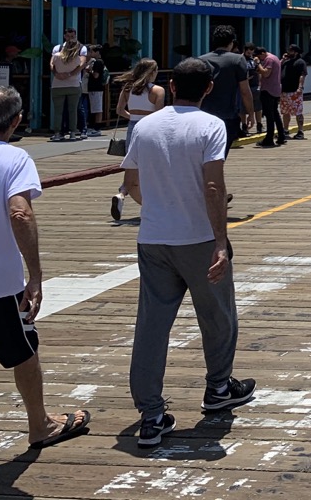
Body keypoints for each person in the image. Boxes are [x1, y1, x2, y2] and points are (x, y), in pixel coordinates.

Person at [121, 58, 256, 448]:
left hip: (153, 238)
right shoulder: (210, 126)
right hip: (197, 238)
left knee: (152, 325)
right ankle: (217, 388)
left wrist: (161, 207)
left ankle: (150, 414)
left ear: (173, 86)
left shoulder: (144, 126)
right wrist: (219, 241)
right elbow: (213, 188)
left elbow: (131, 183)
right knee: (217, 317)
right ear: (209, 88)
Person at [0, 86, 92, 450]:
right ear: (16, 121)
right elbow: (20, 212)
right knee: (24, 351)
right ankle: (41, 424)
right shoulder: (14, 159)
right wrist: (35, 274)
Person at [113, 59, 166, 221]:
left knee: (132, 165)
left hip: (133, 127)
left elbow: (119, 110)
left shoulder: (128, 88)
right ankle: (155, 206)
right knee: (152, 168)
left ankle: (122, 193)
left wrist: (134, 117)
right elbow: (159, 116)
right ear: (151, 72)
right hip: (150, 129)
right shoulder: (157, 91)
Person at [197, 25, 255, 153]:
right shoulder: (238, 60)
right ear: (231, 42)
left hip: (203, 114)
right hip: (227, 116)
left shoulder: (201, 60)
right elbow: (245, 91)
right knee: (219, 155)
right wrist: (251, 114)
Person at [49, 28, 87, 142]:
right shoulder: (77, 56)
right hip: (73, 84)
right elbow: (81, 64)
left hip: (58, 84)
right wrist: (70, 74)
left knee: (58, 110)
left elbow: (51, 64)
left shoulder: (56, 54)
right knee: (73, 110)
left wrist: (57, 74)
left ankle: (57, 132)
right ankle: (73, 132)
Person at [253, 47, 286, 147]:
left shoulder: (269, 59)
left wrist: (258, 64)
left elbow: (266, 74)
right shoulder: (274, 57)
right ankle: (281, 136)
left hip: (268, 90)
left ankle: (269, 139)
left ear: (263, 53)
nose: (260, 59)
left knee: (269, 115)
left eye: (259, 56)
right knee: (275, 113)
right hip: (274, 89)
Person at [279, 44, 308, 140]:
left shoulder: (300, 62)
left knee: (298, 111)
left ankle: (300, 131)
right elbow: (278, 69)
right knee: (285, 112)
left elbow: (302, 75)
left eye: (291, 51)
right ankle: (285, 129)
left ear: (296, 52)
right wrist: (283, 60)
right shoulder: (286, 62)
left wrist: (300, 87)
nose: (288, 52)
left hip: (294, 91)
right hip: (284, 90)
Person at [83, 44, 108, 135]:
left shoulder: (98, 62)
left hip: (96, 88)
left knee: (97, 108)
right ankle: (94, 127)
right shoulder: (99, 62)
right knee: (95, 108)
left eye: (92, 51)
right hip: (95, 88)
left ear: (97, 52)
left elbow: (96, 75)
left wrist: (89, 70)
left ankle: (97, 128)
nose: (90, 53)